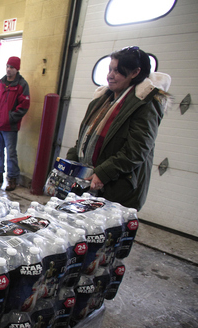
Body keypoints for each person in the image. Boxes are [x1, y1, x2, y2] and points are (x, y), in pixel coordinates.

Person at [67, 46, 171, 210]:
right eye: (109, 69)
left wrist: (104, 173)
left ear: (135, 72)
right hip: (88, 182)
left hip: (117, 188)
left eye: (117, 71)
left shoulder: (145, 103)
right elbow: (85, 138)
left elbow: (137, 149)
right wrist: (71, 160)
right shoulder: (103, 99)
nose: (110, 75)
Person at [0, 56, 30, 191]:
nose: (9, 69)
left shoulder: (22, 85)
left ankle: (12, 178)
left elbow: (24, 105)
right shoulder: (0, 83)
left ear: (17, 69)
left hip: (10, 126)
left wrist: (11, 118)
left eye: (12, 67)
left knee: (11, 153)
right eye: (7, 66)